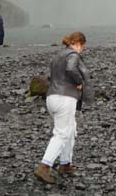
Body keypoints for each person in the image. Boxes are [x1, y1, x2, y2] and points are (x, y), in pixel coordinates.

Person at [34, 31, 88, 184]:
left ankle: (65, 164)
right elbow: (71, 69)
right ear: (79, 43)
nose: (82, 50)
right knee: (62, 133)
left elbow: (52, 76)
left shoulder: (57, 56)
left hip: (51, 97)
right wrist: (78, 82)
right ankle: (44, 166)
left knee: (70, 129)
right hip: (65, 98)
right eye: (82, 46)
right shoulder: (73, 54)